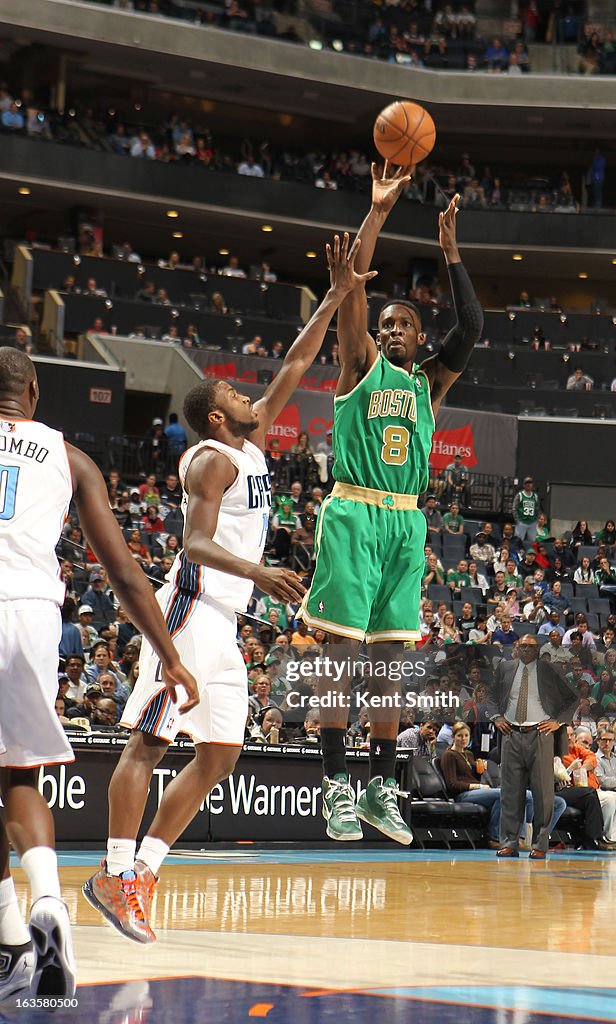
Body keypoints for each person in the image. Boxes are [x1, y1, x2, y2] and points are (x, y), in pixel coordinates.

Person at [84, 233, 374, 942]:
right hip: (190, 610)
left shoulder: (247, 443)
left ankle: (144, 871)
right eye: (236, 395)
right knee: (149, 745)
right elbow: (193, 542)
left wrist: (338, 293)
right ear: (216, 416)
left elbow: (295, 364)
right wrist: (260, 571)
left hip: (227, 620)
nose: (251, 397)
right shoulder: (209, 460)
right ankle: (113, 872)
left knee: (221, 753)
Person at [0, 347, 197, 999]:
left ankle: (7, 939)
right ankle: (47, 905)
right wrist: (169, 655)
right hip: (31, 612)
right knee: (20, 772)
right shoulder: (70, 458)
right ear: (33, 389)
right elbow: (122, 572)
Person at [299, 166, 483, 845]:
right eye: (386, 322)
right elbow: (351, 288)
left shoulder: (429, 383)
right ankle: (334, 788)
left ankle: (379, 787)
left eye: (405, 321)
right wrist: (376, 214)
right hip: (353, 512)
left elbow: (472, 325)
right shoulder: (358, 366)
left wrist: (451, 253)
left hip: (406, 522)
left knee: (386, 668)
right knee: (344, 658)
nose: (395, 328)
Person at [488, 634, 578, 859]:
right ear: (516, 648)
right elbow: (489, 698)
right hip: (510, 734)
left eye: (530, 647)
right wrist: (497, 717)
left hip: (540, 734)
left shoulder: (550, 670)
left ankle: (539, 845)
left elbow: (572, 699)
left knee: (543, 794)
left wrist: (557, 721)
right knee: (510, 793)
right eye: (521, 646)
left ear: (538, 650)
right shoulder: (505, 669)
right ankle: (509, 842)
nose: (525, 650)